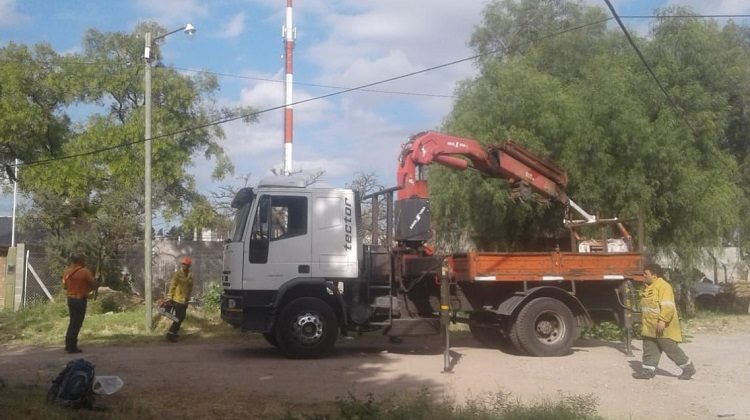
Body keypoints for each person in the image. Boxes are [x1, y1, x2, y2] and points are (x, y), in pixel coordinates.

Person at [633, 263, 696, 380]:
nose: (643, 276)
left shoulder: (664, 287)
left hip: (663, 327)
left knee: (671, 349)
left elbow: (668, 306)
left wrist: (662, 321)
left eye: (646, 274)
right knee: (649, 349)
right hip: (649, 327)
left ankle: (688, 368)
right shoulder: (649, 288)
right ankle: (647, 371)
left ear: (654, 275)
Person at [62, 254, 97, 354]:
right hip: (80, 300)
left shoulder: (67, 272)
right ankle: (72, 347)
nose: (85, 261)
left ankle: (68, 344)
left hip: (70, 299)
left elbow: (64, 286)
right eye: (84, 259)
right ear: (80, 261)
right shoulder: (85, 271)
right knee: (77, 323)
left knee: (72, 322)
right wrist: (97, 280)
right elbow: (93, 284)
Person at [165, 256, 194, 342]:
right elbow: (172, 286)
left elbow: (190, 288)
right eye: (183, 264)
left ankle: (174, 332)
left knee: (182, 317)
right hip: (177, 299)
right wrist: (169, 297)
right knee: (178, 317)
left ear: (189, 266)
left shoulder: (190, 275)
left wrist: (188, 299)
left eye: (186, 264)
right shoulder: (177, 274)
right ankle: (170, 335)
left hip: (185, 300)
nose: (184, 265)